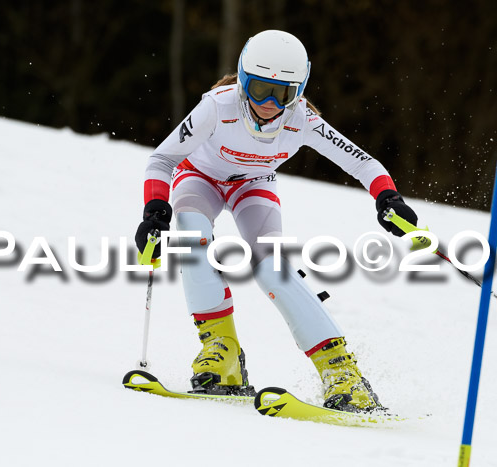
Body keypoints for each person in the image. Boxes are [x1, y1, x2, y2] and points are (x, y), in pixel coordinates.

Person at [135, 30, 417, 413]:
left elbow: (362, 162)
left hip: (253, 184)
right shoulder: (218, 106)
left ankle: (343, 374)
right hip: (200, 178)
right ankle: (223, 354)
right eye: (259, 89)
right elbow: (161, 160)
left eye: (282, 93)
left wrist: (387, 197)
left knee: (272, 270)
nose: (269, 103)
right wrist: (155, 209)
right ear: (242, 79)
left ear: (299, 90)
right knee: (192, 240)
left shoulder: (302, 119)